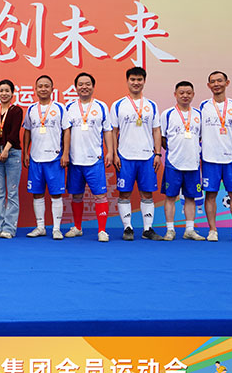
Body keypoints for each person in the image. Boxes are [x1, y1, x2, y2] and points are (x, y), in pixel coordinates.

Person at [110, 67, 163, 240]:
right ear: (127, 81)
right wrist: (115, 154)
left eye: (139, 79)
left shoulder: (151, 105)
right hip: (125, 156)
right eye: (132, 79)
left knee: (147, 193)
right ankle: (128, 228)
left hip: (147, 156)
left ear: (144, 81)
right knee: (124, 193)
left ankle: (148, 229)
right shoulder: (118, 105)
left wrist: (157, 154)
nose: (136, 83)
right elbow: (113, 131)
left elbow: (156, 130)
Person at [200, 71, 232, 244]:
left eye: (219, 81)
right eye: (213, 81)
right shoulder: (203, 106)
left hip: (231, 158)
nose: (216, 84)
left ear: (227, 83)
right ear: (208, 85)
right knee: (210, 195)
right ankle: (212, 230)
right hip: (210, 158)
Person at [63, 72, 113, 242]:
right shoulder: (69, 107)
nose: (84, 87)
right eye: (80, 84)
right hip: (75, 160)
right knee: (76, 195)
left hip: (94, 159)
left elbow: (108, 131)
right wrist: (65, 154)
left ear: (93, 86)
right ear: (75, 87)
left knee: (100, 196)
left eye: (87, 84)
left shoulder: (101, 106)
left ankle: (102, 230)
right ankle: (77, 227)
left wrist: (110, 151)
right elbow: (65, 132)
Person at [23, 75, 70, 239]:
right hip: (36, 158)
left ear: (52, 89)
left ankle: (56, 228)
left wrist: (65, 153)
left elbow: (67, 130)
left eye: (46, 86)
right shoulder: (31, 109)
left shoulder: (60, 108)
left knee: (56, 194)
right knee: (37, 193)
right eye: (40, 86)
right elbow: (27, 131)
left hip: (54, 158)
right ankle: (40, 227)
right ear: (35, 89)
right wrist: (25, 152)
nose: (43, 89)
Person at [160, 81, 206, 241]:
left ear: (193, 95)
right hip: (173, 163)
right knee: (170, 197)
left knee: (190, 197)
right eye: (181, 93)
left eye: (188, 93)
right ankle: (170, 230)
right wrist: (175, 151)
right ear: (175, 94)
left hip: (193, 163)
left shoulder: (199, 115)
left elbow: (200, 137)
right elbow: (162, 138)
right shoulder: (167, 114)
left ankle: (190, 230)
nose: (185, 95)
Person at [0, 79, 23, 238]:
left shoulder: (17, 111)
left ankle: (9, 228)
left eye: (7, 90)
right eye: (1, 90)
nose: (4, 93)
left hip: (12, 152)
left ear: (12, 93)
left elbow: (14, 133)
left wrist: (6, 150)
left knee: (12, 192)